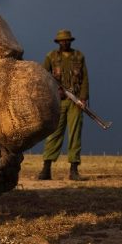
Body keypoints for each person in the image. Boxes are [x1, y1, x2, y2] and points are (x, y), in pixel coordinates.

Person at [37, 29, 90, 181]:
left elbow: (85, 79)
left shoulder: (79, 56)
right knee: (54, 134)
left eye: (67, 40)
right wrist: (55, 90)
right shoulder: (51, 56)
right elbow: (43, 76)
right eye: (62, 41)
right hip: (57, 101)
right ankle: (46, 169)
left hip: (75, 101)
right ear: (58, 42)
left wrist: (83, 98)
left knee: (75, 134)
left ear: (70, 41)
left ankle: (74, 170)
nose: (64, 42)